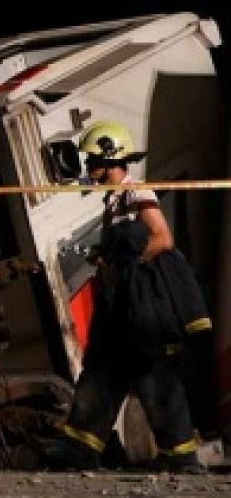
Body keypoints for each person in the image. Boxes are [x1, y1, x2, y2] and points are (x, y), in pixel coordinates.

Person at [39, 121, 211, 473]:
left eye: (93, 162)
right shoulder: (115, 199)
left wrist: (126, 258)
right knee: (103, 370)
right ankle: (79, 449)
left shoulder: (137, 193)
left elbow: (162, 239)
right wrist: (105, 257)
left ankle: (181, 458)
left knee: (153, 374)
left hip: (141, 302)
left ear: (109, 156)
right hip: (121, 301)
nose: (89, 170)